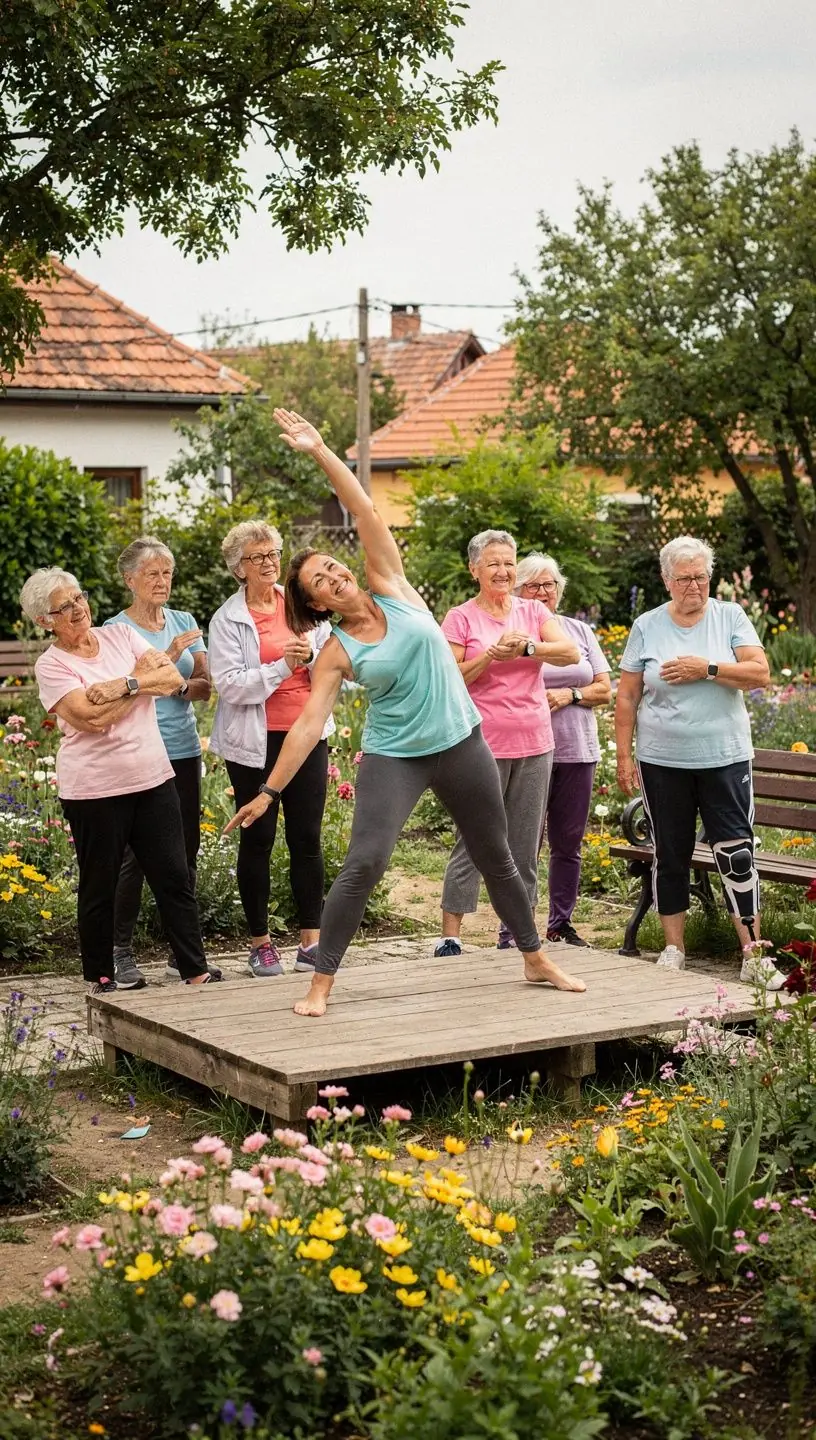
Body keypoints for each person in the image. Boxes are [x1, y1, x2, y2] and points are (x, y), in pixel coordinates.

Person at [225, 409, 587, 1017]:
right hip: (396, 755)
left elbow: (364, 509)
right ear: (314, 603)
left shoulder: (389, 582)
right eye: (320, 580)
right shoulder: (337, 651)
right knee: (365, 861)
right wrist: (268, 791)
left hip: (462, 741)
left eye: (332, 566)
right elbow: (309, 724)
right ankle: (321, 982)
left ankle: (533, 955)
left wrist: (319, 450)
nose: (334, 575)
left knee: (497, 854)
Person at [22, 569, 215, 993]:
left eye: (79, 598)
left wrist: (122, 684)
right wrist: (142, 686)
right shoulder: (51, 664)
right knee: (100, 885)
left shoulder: (118, 637)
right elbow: (90, 720)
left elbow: (172, 679)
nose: (78, 609)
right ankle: (102, 974)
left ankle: (194, 968)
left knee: (174, 876)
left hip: (152, 776)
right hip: (94, 790)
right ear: (45, 621)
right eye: (64, 607)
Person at [615, 535, 781, 988]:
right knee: (670, 852)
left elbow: (759, 674)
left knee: (737, 853)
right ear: (667, 580)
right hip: (661, 760)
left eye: (701, 576)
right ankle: (673, 950)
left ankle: (753, 954)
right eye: (685, 577)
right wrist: (624, 755)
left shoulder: (730, 617)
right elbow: (628, 695)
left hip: (724, 758)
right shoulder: (647, 625)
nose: (694, 585)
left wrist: (706, 668)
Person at [434, 532, 580, 958]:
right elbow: (451, 676)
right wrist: (491, 658)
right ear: (474, 569)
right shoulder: (460, 617)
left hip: (535, 741)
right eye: (493, 563)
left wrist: (529, 647)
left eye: (509, 563)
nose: (503, 571)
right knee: (474, 837)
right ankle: (451, 935)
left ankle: (518, 933)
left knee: (524, 844)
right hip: (481, 744)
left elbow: (569, 653)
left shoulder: (533, 610)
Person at [209, 521, 333, 978]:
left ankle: (310, 942)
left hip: (307, 733)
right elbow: (228, 686)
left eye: (273, 553)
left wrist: (315, 661)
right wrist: (283, 666)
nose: (269, 562)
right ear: (239, 568)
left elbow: (328, 662)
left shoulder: (299, 602)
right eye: (258, 557)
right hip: (253, 743)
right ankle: (261, 943)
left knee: (307, 839)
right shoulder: (227, 618)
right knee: (257, 838)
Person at [104, 537, 219, 988]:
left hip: (184, 749)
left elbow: (204, 685)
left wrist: (171, 684)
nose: (161, 580)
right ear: (129, 579)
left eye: (167, 572)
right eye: (151, 573)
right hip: (138, 752)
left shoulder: (185, 620)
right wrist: (169, 669)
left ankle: (183, 956)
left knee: (184, 852)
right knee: (135, 856)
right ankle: (119, 952)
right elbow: (121, 689)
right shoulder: (114, 629)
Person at [496, 552, 611, 949]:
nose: (543, 592)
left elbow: (604, 689)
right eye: (533, 585)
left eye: (550, 585)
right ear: (518, 591)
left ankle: (560, 924)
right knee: (521, 844)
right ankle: (512, 929)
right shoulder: (510, 635)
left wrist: (571, 694)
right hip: (526, 750)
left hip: (576, 750)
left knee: (569, 842)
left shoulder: (579, 631)